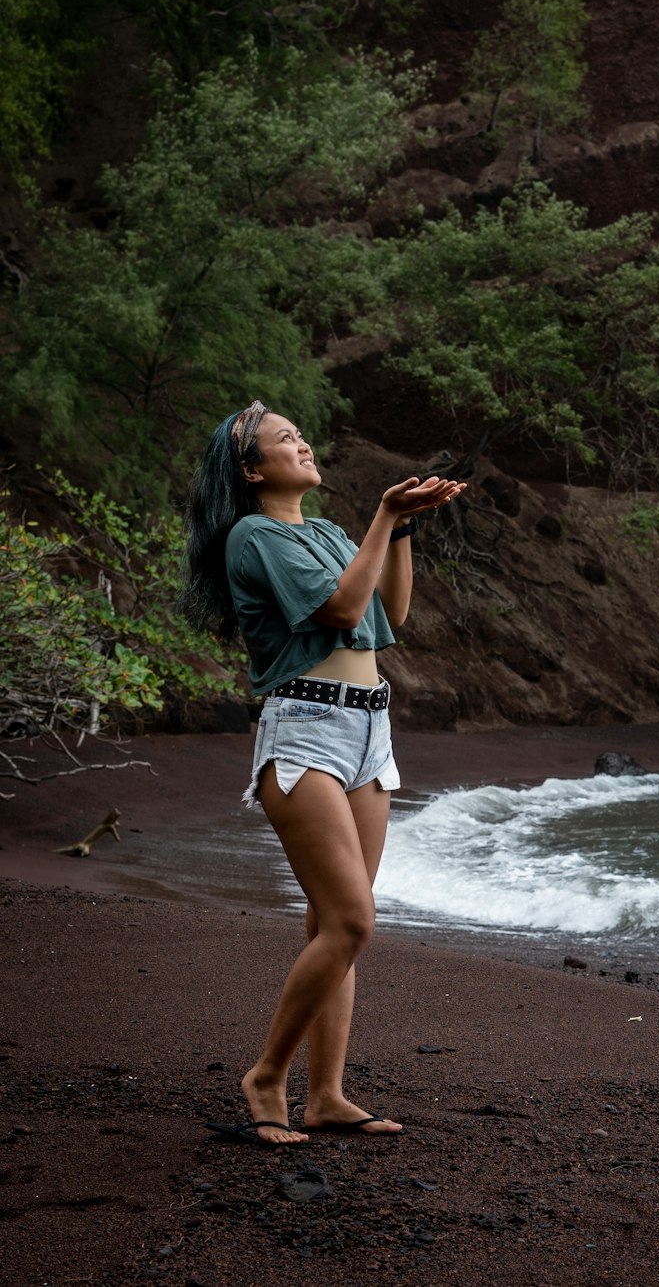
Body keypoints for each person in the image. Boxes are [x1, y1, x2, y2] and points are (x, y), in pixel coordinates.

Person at [180, 399, 465, 1145]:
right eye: (285, 440)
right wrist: (382, 512)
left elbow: (388, 616)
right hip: (303, 730)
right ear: (252, 469)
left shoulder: (333, 532)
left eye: (301, 436)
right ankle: (267, 1076)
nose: (302, 445)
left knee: (332, 922)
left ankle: (327, 1094)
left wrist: (400, 527)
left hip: (370, 726)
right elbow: (341, 610)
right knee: (351, 922)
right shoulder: (255, 535)